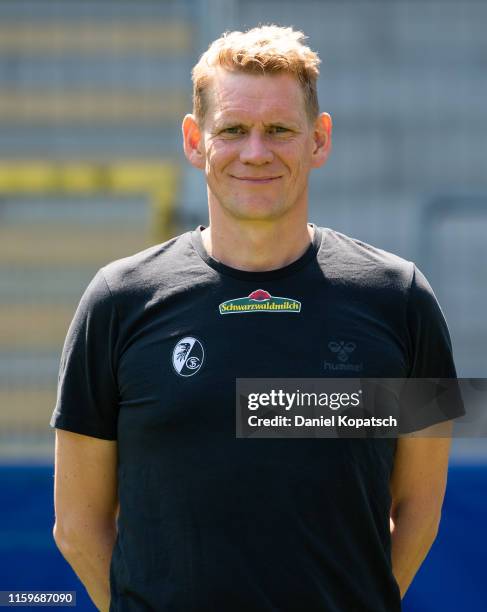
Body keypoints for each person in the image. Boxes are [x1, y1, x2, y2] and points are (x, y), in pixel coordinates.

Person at [51, 25, 460, 611]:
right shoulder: (118, 299)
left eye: (280, 131)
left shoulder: (400, 298)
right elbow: (76, 525)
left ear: (318, 140)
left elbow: (420, 511)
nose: (256, 152)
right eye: (234, 130)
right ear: (195, 141)